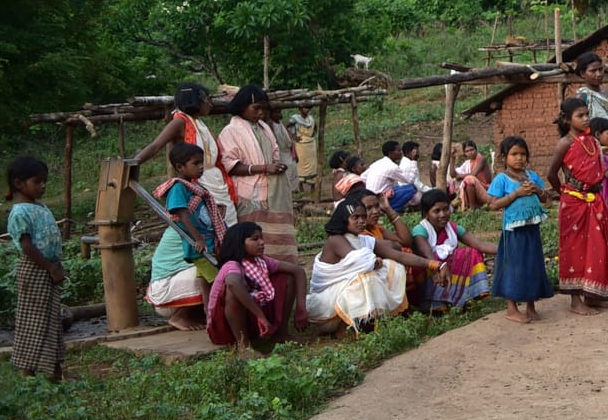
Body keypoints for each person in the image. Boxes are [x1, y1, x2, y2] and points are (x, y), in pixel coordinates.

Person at [304, 195, 418, 332]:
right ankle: (345, 329)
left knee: (392, 266)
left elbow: (397, 252)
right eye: (356, 217)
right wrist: (375, 262)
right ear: (344, 219)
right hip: (327, 306)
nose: (361, 221)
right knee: (365, 278)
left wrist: (435, 265)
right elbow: (360, 260)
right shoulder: (335, 240)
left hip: (342, 299)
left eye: (363, 217)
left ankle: (372, 321)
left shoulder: (364, 239)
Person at [130, 83, 237, 227]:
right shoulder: (180, 122)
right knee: (210, 226)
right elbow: (155, 146)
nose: (210, 104)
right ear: (196, 101)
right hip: (199, 181)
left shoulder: (199, 123)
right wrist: (130, 165)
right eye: (207, 99)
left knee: (227, 223)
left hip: (216, 180)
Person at [549, 95, 608, 314]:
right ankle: (575, 301)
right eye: (580, 116)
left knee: (598, 246)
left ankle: (593, 295)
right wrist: (565, 193)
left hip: (595, 200)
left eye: (587, 114)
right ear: (568, 120)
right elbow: (551, 174)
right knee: (574, 248)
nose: (586, 119)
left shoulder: (592, 141)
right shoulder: (565, 143)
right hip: (574, 202)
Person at [216, 85, 298, 266]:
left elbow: (274, 152)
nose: (260, 113)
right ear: (243, 106)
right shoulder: (230, 131)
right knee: (254, 240)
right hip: (249, 194)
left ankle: (280, 274)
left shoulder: (263, 127)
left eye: (263, 109)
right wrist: (263, 168)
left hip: (273, 192)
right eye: (256, 108)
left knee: (278, 243)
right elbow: (231, 166)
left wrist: (275, 166)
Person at [148, 142, 224, 331]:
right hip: (167, 285)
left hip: (198, 253)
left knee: (211, 276)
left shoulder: (194, 189)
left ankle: (208, 314)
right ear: (180, 167)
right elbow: (182, 214)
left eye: (201, 163)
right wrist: (198, 238)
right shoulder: (179, 188)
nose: (200, 168)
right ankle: (185, 316)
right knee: (216, 277)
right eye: (196, 163)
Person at [5, 156, 65, 381]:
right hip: (36, 270)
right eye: (37, 181)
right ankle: (28, 371)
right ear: (19, 184)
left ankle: (55, 370)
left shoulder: (39, 206)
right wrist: (50, 267)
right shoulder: (20, 213)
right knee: (34, 321)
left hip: (49, 267)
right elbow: (27, 246)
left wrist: (54, 266)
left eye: (44, 181)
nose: (43, 186)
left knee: (52, 320)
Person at [487, 136, 553, 323]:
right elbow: (493, 205)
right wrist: (516, 194)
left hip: (532, 228)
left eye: (523, 154)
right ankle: (511, 308)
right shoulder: (502, 179)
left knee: (532, 265)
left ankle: (531, 306)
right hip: (513, 232)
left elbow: (546, 199)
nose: (519, 158)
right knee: (514, 267)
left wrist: (537, 190)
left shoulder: (532, 176)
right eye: (514, 154)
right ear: (504, 158)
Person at [210, 222, 301, 354]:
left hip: (254, 318)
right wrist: (261, 316)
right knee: (234, 292)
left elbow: (298, 271)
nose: (262, 242)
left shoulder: (262, 261)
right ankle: (244, 346)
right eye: (255, 239)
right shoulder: (232, 265)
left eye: (261, 238)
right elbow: (233, 283)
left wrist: (301, 308)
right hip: (226, 326)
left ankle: (281, 334)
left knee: (287, 278)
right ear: (239, 243)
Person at [410, 190, 494, 312]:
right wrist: (437, 266)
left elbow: (480, 245)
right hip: (429, 273)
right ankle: (434, 302)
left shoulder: (453, 228)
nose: (443, 214)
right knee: (433, 260)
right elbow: (426, 253)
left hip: (445, 270)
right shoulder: (420, 230)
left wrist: (507, 249)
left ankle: (470, 294)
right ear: (426, 214)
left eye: (446, 209)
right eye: (436, 211)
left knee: (471, 253)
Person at [362, 139, 420, 212]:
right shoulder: (392, 167)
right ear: (390, 153)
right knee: (411, 188)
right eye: (398, 151)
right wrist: (414, 160)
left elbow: (363, 177)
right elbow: (410, 181)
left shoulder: (377, 163)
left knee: (399, 187)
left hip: (370, 196)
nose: (401, 153)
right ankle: (391, 209)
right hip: (380, 199)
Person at [574, 52, 608, 126]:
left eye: (600, 69)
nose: (598, 74)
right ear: (582, 73)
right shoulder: (583, 97)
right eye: (593, 71)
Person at [448, 139, 493, 209]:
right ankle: (471, 205)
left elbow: (473, 174)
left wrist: (460, 176)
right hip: (475, 189)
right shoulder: (467, 163)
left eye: (472, 150)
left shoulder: (481, 159)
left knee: (469, 179)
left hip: (486, 190)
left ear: (476, 150)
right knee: (455, 182)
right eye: (467, 151)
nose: (470, 153)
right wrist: (452, 159)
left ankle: (472, 208)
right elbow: (453, 175)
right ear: (464, 153)